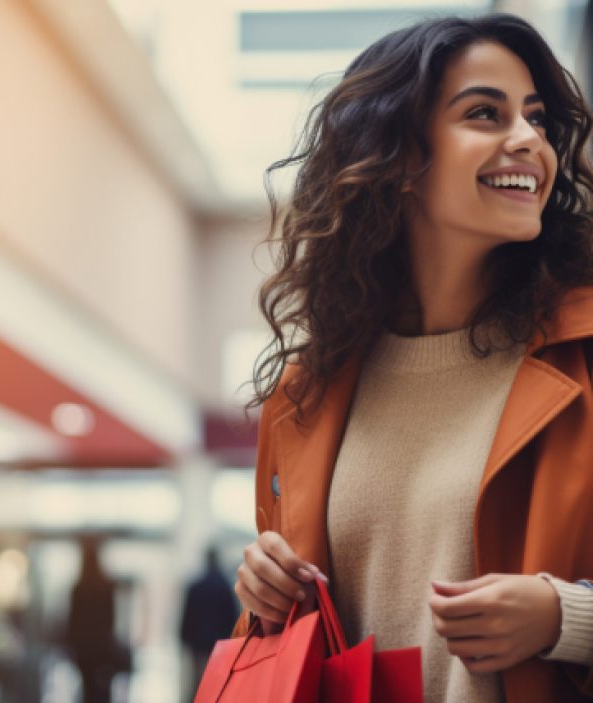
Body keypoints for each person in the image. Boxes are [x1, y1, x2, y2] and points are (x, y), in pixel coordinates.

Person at [232, 13, 593, 703]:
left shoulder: (585, 354)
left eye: (538, 118)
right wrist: (261, 592)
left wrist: (565, 617)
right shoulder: (307, 394)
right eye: (485, 113)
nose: (529, 141)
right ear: (398, 156)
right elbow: (299, 646)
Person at [67, 538, 129, 703]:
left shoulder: (79, 588)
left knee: (87, 688)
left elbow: (73, 621)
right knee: (103, 686)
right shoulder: (105, 587)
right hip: (101, 646)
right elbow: (111, 619)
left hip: (84, 648)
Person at [180, 547, 237, 699]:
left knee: (197, 683)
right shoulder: (225, 587)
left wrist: (184, 639)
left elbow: (187, 616)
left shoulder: (196, 586)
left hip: (198, 644)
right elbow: (232, 617)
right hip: (219, 646)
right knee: (216, 685)